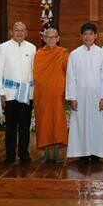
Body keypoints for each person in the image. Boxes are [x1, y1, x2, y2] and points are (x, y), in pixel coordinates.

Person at [66, 22, 103, 163]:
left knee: (97, 124)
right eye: (85, 34)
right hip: (80, 96)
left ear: (96, 36)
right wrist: (72, 97)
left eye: (91, 34)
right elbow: (71, 77)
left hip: (97, 96)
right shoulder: (74, 54)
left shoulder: (102, 54)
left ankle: (96, 153)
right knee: (81, 124)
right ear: (81, 36)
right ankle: (83, 153)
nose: (88, 37)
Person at [0, 22, 36, 164]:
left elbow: (33, 71)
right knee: (11, 126)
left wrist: (34, 92)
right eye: (16, 30)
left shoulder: (32, 48)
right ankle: (10, 155)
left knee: (25, 126)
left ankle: (24, 153)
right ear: (11, 31)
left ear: (26, 32)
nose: (19, 33)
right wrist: (1, 92)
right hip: (9, 93)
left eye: (22, 30)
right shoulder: (4, 47)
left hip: (26, 92)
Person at [33, 28, 69, 163]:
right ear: (44, 38)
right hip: (42, 94)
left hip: (57, 93)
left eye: (53, 37)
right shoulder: (39, 54)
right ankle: (46, 153)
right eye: (48, 37)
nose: (51, 40)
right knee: (44, 122)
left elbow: (68, 71)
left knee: (57, 122)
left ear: (58, 38)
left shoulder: (63, 53)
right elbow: (36, 74)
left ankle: (57, 153)